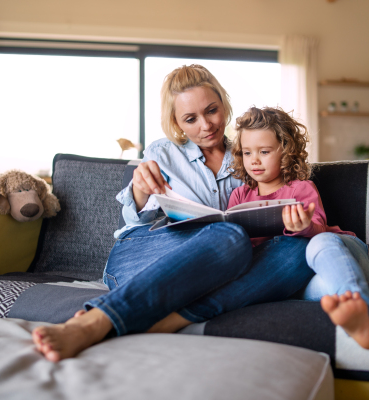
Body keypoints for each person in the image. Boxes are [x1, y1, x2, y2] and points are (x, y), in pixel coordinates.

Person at [32, 65, 315, 362]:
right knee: (230, 236)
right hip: (143, 253)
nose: (205, 125)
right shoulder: (162, 152)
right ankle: (96, 321)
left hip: (215, 264)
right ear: (177, 122)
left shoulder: (250, 154)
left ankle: (167, 322)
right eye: (191, 119)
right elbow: (136, 222)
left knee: (299, 251)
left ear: (224, 105)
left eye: (212, 111)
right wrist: (140, 191)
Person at [228, 105, 369, 351]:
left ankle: (365, 319)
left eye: (264, 151)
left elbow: (319, 228)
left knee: (319, 243)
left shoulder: (300, 188)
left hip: (342, 252)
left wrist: (304, 226)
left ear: (285, 151)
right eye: (246, 152)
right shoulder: (239, 196)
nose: (254, 160)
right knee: (335, 291)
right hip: (298, 280)